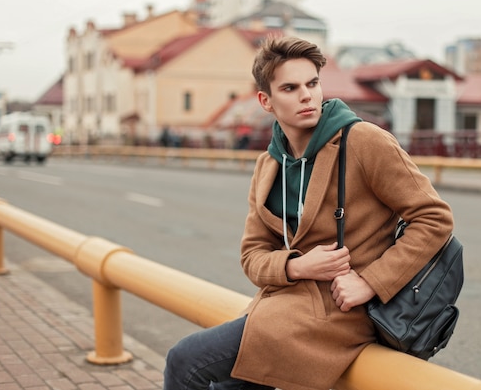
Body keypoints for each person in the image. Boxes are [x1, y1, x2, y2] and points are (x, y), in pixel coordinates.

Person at [163, 36, 454, 390]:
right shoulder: (268, 165)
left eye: (312, 83)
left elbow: (434, 217)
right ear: (265, 101)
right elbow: (252, 256)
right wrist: (296, 266)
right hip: (285, 307)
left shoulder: (362, 141)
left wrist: (369, 282)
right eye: (290, 87)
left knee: (185, 361)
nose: (307, 95)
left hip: (345, 311)